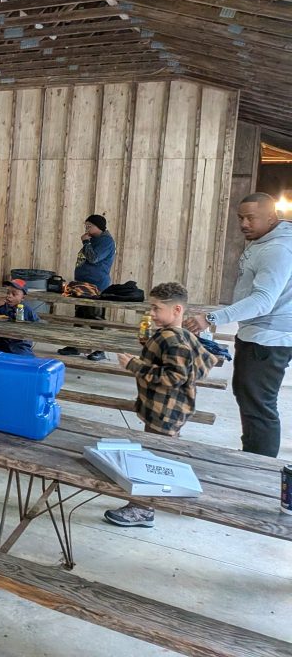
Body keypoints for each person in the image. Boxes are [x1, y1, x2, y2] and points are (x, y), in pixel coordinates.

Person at [105, 282, 222, 527]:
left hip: (165, 410)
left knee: (154, 460)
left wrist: (134, 365)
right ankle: (163, 498)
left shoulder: (174, 340)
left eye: (157, 308)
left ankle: (143, 509)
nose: (152, 313)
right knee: (162, 454)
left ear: (177, 310)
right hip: (166, 409)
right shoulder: (179, 336)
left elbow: (175, 378)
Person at [185, 193, 291, 457]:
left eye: (250, 218)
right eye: (240, 218)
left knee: (258, 406)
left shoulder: (277, 249)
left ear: (271, 217)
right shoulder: (265, 240)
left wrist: (211, 318)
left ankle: (257, 468)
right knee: (250, 399)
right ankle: (253, 455)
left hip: (267, 339)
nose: (244, 224)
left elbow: (263, 300)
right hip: (260, 334)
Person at [59, 214, 117, 361]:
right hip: (83, 284)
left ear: (99, 227)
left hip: (95, 285)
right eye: (86, 226)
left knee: (95, 317)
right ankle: (76, 346)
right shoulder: (93, 240)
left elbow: (94, 258)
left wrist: (86, 242)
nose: (87, 229)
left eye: (89, 226)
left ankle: (100, 349)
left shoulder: (106, 241)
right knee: (80, 315)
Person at [0, 278, 40, 356]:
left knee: (27, 364)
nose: (9, 296)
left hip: (20, 347)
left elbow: (38, 326)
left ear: (23, 298)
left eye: (14, 294)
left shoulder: (27, 310)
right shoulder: (2, 307)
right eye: (8, 293)